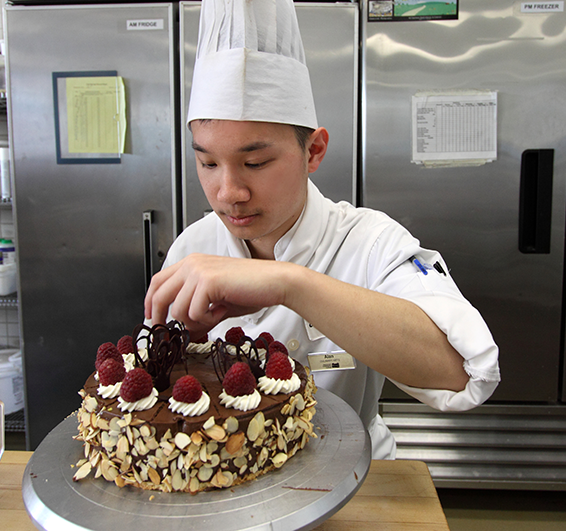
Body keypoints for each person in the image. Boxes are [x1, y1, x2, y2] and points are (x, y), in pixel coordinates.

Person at [144, 0, 500, 459]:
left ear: (314, 151)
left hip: (353, 476)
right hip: (224, 487)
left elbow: (463, 372)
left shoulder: (369, 241)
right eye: (207, 162)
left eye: (255, 162)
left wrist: (289, 283)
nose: (228, 191)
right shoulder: (192, 248)